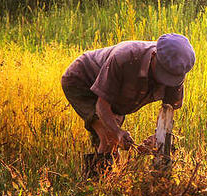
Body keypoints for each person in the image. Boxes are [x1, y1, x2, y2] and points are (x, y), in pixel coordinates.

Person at [61, 34, 195, 173]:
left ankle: (109, 181)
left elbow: (169, 110)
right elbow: (102, 105)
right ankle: (95, 188)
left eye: (170, 78)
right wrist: (117, 132)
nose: (164, 81)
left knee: (110, 139)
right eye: (162, 73)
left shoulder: (175, 72)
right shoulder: (125, 57)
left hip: (115, 95)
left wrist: (157, 138)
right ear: (154, 55)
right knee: (109, 137)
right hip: (82, 80)